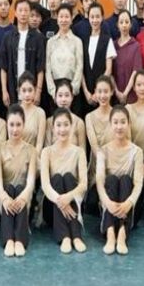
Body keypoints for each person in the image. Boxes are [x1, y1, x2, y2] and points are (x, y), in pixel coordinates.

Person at [96, 106, 144, 255]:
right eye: (115, 122)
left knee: (125, 179)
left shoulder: (137, 151)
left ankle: (122, 233)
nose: (119, 126)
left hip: (128, 204)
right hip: (109, 203)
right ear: (110, 124)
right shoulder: (102, 151)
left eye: (123, 122)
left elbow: (138, 183)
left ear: (129, 124)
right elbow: (99, 181)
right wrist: (108, 203)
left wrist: (128, 203)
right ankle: (110, 233)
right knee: (111, 179)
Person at [40, 108, 89, 254]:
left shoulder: (79, 152)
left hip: (73, 205)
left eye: (66, 124)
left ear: (72, 126)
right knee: (56, 179)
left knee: (68, 177)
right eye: (59, 125)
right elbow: (45, 185)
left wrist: (68, 197)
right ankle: (65, 237)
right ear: (53, 128)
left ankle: (76, 236)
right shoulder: (46, 152)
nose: (62, 129)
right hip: (52, 208)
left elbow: (83, 184)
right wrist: (61, 201)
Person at [0, 105, 36, 257]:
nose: (15, 129)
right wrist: (4, 198)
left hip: (24, 201)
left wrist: (23, 198)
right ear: (7, 124)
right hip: (5, 201)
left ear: (24, 125)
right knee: (10, 188)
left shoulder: (31, 150)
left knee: (19, 189)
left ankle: (20, 241)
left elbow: (30, 182)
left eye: (18, 125)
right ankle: (9, 240)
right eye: (11, 124)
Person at [0, 0, 46, 107]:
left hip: (31, 92)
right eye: (20, 10)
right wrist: (4, 91)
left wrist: (38, 92)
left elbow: (40, 68)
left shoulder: (38, 38)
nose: (23, 13)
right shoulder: (8, 37)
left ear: (29, 13)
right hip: (12, 91)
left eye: (26, 10)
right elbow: (3, 67)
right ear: (15, 13)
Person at [79, 3, 115, 114]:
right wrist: (86, 92)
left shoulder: (107, 40)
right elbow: (80, 68)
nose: (95, 20)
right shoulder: (83, 41)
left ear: (102, 18)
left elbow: (108, 69)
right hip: (85, 94)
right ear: (88, 18)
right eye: (92, 17)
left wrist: (97, 92)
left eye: (97, 17)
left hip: (103, 93)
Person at [45, 4, 83, 101]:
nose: (64, 20)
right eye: (61, 17)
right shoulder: (50, 42)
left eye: (66, 17)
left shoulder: (77, 41)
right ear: (57, 19)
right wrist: (53, 91)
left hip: (72, 89)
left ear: (71, 19)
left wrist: (73, 90)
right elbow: (47, 68)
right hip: (55, 90)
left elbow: (79, 66)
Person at [85, 75, 115, 176]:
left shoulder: (118, 115)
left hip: (116, 164)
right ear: (95, 92)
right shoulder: (89, 117)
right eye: (99, 91)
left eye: (106, 91)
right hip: (97, 167)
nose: (102, 96)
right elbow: (94, 146)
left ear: (111, 92)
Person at [112, 10, 143, 105]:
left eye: (126, 22)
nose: (124, 25)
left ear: (130, 24)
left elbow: (135, 71)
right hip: (115, 95)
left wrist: (125, 93)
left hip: (131, 95)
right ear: (117, 25)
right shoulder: (113, 45)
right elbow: (110, 71)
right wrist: (117, 92)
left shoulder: (136, 45)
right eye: (121, 22)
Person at [44, 80, 86, 147]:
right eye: (60, 95)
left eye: (67, 95)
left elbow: (82, 150)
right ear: (55, 97)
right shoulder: (49, 122)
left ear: (72, 97)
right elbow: (47, 148)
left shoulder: (79, 122)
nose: (63, 99)